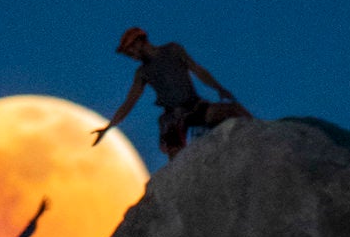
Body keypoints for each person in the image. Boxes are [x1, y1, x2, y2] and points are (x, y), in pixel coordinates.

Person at [92, 27, 251, 160]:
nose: (131, 55)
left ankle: (266, 134)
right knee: (176, 159)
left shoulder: (173, 50)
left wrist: (218, 88)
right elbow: (129, 102)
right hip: (173, 118)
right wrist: (108, 127)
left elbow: (197, 70)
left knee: (233, 110)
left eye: (131, 49)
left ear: (140, 41)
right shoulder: (142, 72)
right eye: (128, 52)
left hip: (195, 106)